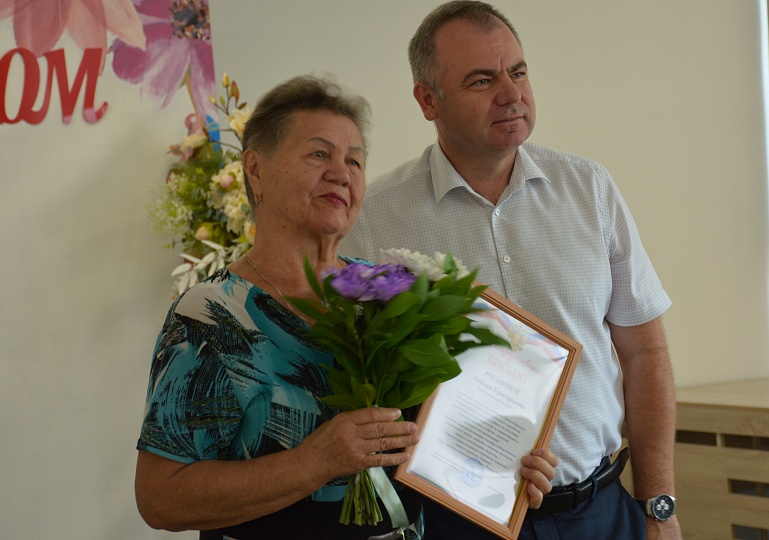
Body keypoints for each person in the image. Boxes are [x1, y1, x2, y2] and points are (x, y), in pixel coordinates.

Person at [134, 74, 559, 540]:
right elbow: (161, 498)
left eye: (354, 161)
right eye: (319, 154)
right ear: (255, 169)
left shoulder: (390, 292)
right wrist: (313, 462)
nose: (341, 173)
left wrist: (506, 468)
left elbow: (429, 444)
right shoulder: (210, 316)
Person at [340, 2, 682, 539]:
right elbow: (363, 382)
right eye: (482, 80)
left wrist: (658, 506)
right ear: (428, 100)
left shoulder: (590, 189)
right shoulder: (374, 221)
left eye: (518, 72)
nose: (511, 93)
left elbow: (645, 353)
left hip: (602, 512)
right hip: (458, 522)